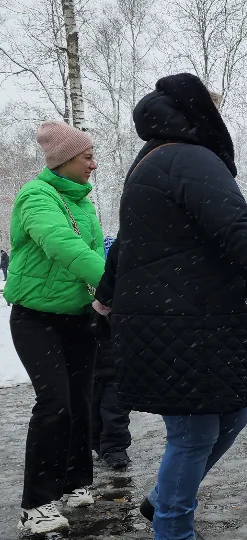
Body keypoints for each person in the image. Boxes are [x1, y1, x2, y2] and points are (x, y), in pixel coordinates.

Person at [94, 73, 247, 540]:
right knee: (193, 434)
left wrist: (105, 295)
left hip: (184, 317)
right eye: (216, 110)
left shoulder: (152, 161)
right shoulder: (190, 159)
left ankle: (162, 500)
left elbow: (127, 246)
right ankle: (172, 528)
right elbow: (241, 234)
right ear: (200, 114)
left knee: (235, 411)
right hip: (184, 321)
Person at [5, 120, 104, 534]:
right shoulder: (36, 197)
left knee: (81, 401)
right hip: (36, 319)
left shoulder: (83, 201)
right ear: (63, 159)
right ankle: (37, 503)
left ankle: (74, 481)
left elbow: (96, 248)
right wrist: (113, 283)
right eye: (87, 157)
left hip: (78, 317)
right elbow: (62, 244)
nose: (94, 165)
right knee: (55, 404)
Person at [91, 235, 132, 470]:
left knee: (115, 407)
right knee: (93, 404)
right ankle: (97, 442)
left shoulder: (124, 293)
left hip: (117, 360)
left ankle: (115, 446)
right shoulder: (86, 295)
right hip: (95, 359)